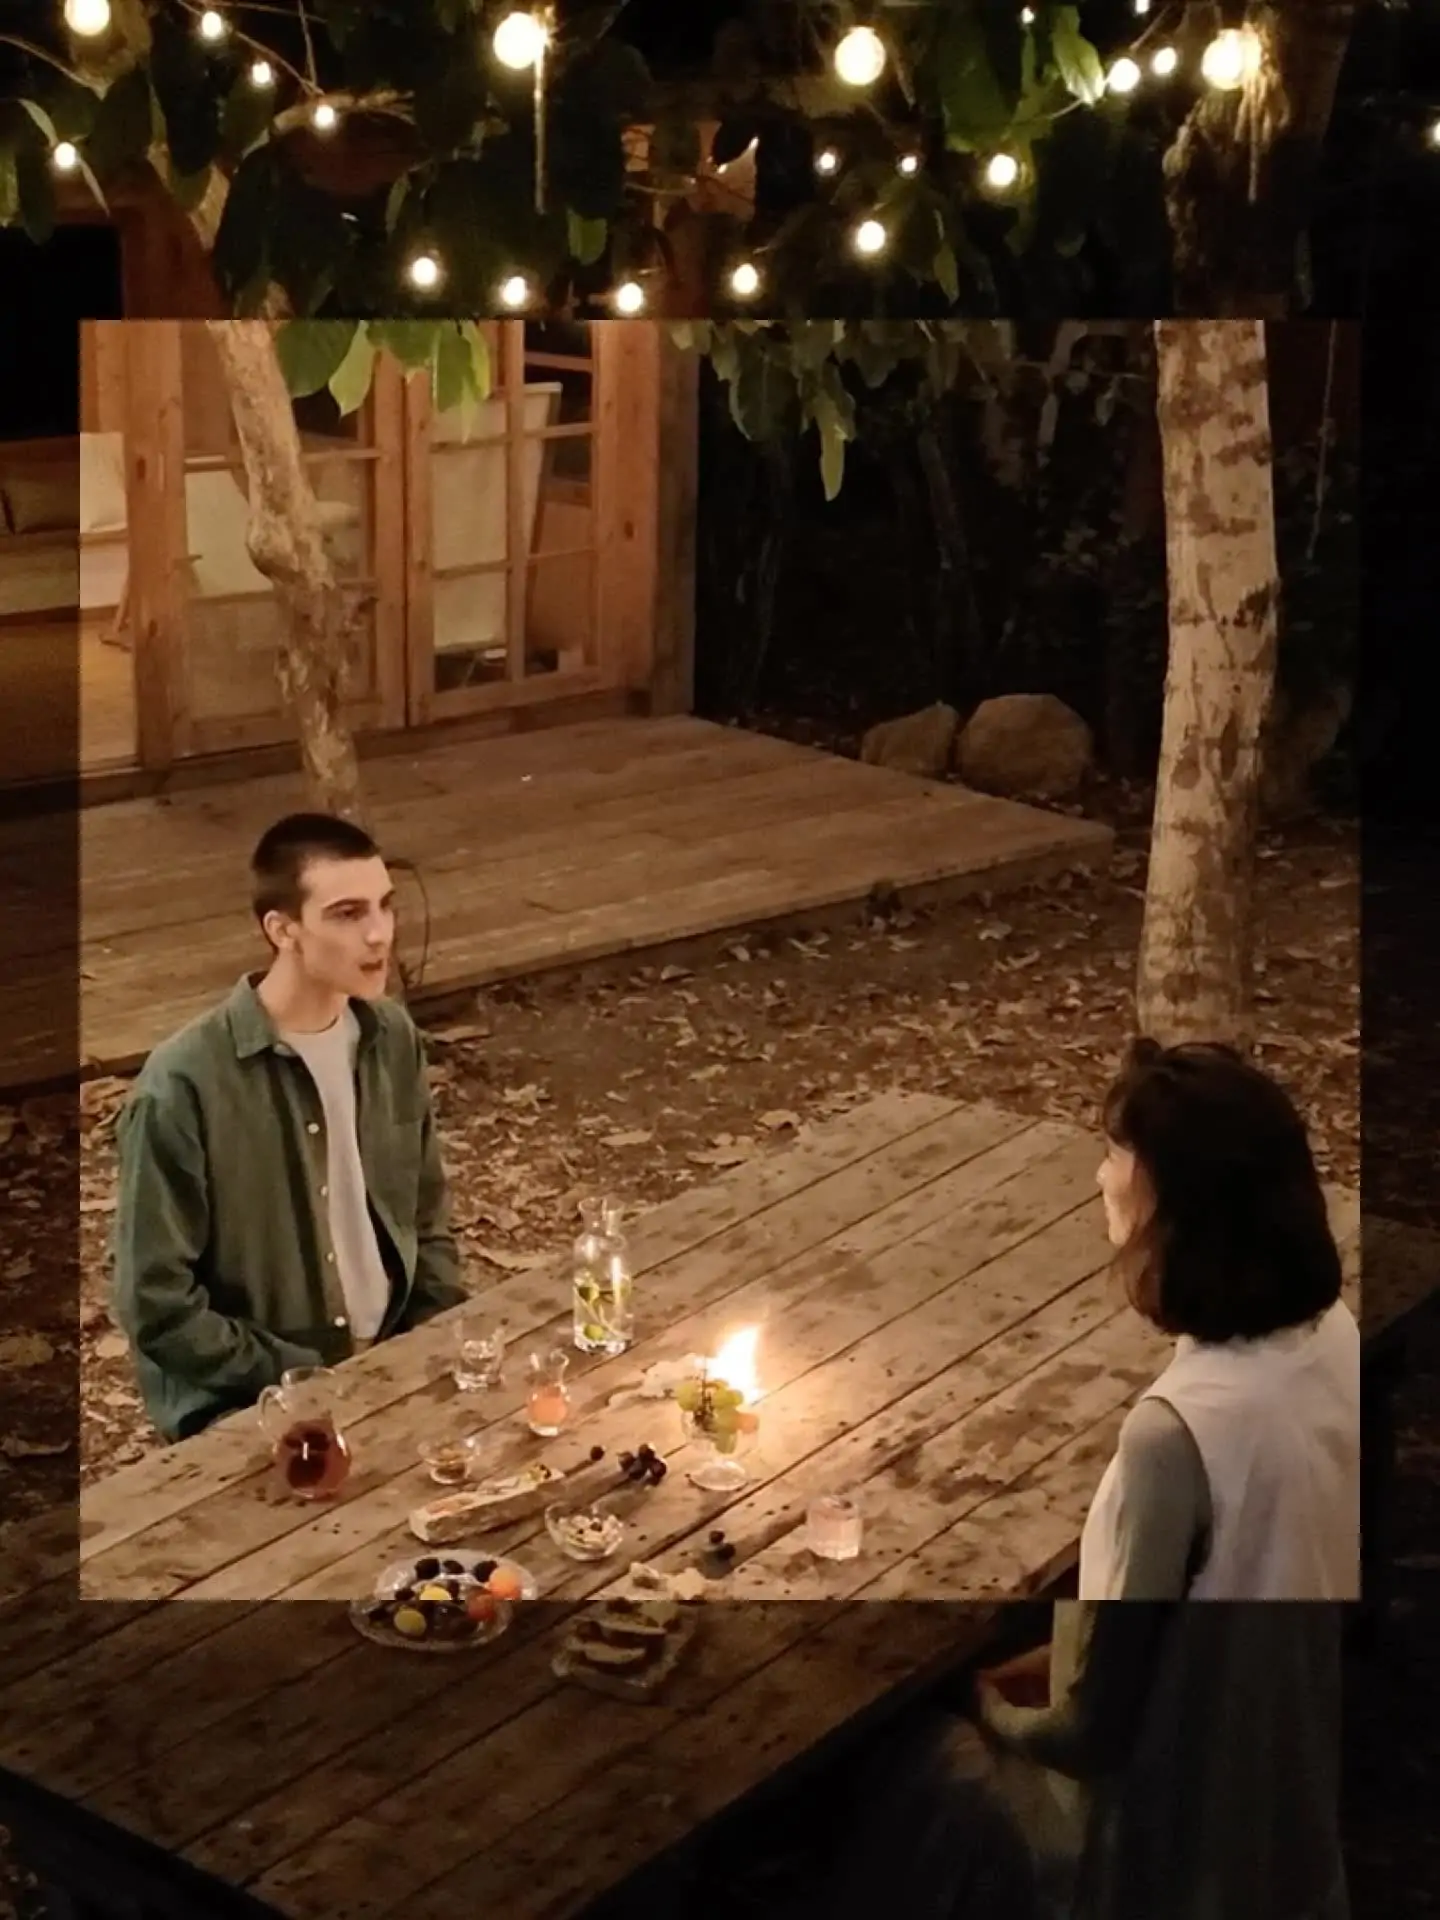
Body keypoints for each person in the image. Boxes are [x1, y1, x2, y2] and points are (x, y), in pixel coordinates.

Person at [111, 812, 468, 1442]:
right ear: (282, 930)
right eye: (347, 914)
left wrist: (429, 1338)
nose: (379, 935)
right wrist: (306, 1376)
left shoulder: (391, 1038)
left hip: (397, 1364)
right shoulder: (183, 1084)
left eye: (385, 906)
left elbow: (425, 1211)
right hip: (250, 1401)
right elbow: (157, 1304)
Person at [823, 1600, 1349, 1920]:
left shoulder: (1156, 1481)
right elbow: (1181, 1638)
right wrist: (1065, 1663)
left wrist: (986, 1703)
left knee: (933, 1755)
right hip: (1267, 1813)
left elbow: (1082, 1739)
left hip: (1136, 1849)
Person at [1080, 1037, 1359, 1601]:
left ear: (1178, 1197)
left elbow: (1118, 1645)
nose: (1100, 1177)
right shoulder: (1334, 1328)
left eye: (1115, 1155)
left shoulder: (1172, 1434)